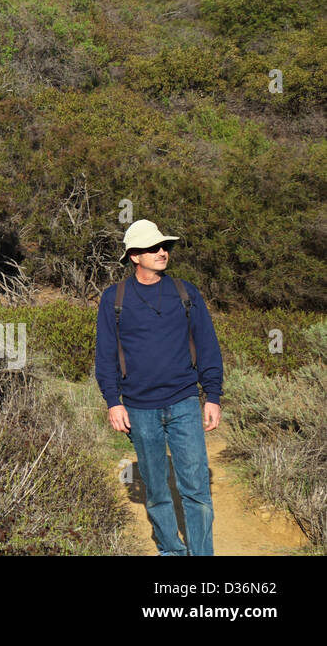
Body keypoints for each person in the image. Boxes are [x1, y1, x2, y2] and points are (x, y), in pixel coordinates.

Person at [95, 219, 224, 556]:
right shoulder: (114, 298)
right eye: (153, 247)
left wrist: (213, 396)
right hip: (139, 407)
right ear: (134, 256)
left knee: (195, 488)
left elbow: (207, 344)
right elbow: (106, 354)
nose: (162, 251)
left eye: (164, 246)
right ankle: (171, 551)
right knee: (156, 490)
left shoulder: (185, 292)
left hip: (184, 402)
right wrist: (113, 401)